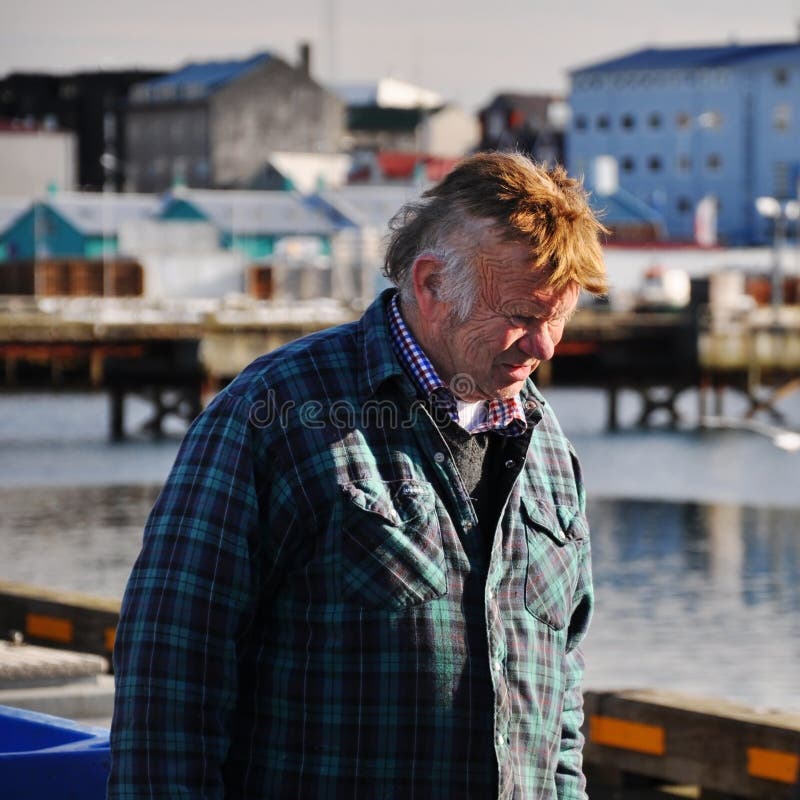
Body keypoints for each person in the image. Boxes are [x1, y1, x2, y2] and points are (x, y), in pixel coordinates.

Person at [108, 151, 608, 799]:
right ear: (430, 284)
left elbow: (561, 693)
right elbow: (171, 675)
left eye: (558, 318)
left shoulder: (549, 452)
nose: (543, 346)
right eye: (521, 315)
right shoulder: (277, 413)